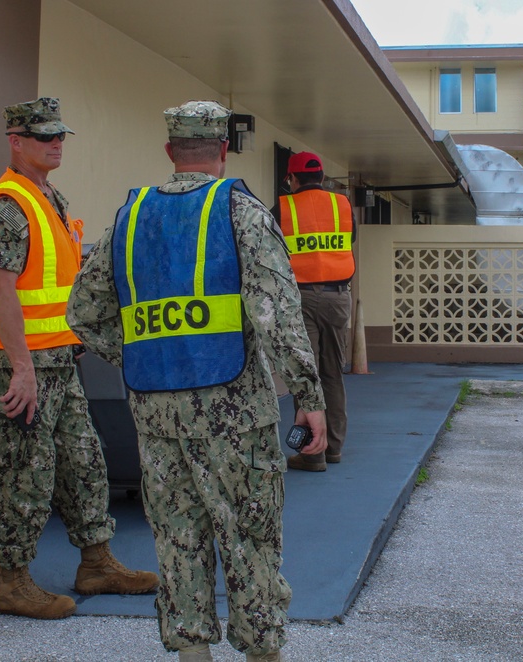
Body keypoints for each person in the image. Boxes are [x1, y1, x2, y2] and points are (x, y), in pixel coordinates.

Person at [67, 100, 328, 662]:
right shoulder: (241, 213)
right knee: (250, 540)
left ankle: (192, 654)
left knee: (177, 542)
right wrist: (309, 399)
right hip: (237, 411)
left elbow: (83, 313)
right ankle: (262, 652)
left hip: (155, 414)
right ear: (223, 150)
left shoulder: (128, 218)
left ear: (169, 151)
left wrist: (140, 355)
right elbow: (278, 314)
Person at [0, 97, 158, 620]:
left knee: (84, 464)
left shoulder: (48, 197)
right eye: (44, 135)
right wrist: (22, 369)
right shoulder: (6, 205)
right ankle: (12, 582)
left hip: (58, 363)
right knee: (25, 473)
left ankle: (97, 563)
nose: (56, 144)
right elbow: (2, 290)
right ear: (16, 141)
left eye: (60, 135)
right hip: (18, 367)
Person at [273, 152, 356, 472]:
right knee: (333, 374)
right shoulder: (344, 205)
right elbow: (348, 244)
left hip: (300, 299)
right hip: (338, 298)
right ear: (322, 178)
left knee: (306, 374)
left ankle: (311, 453)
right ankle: (333, 448)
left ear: (292, 179)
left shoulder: (282, 207)